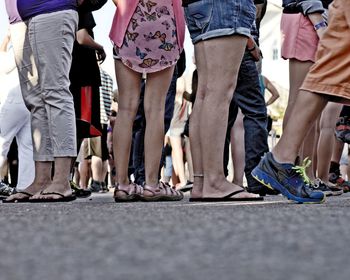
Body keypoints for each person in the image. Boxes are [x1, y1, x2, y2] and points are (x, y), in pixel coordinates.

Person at [252, 0, 349, 204]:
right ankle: (286, 161)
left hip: (318, 14)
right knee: (318, 83)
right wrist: (318, 21)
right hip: (308, 16)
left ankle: (286, 161)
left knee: (325, 81)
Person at [183, 0, 262, 201]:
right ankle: (215, 181)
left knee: (204, 93)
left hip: (198, 5)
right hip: (226, 5)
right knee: (219, 92)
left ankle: (202, 182)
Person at [109, 0, 185, 202]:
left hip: (129, 24)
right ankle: (152, 184)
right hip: (164, 23)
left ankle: (123, 184)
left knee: (126, 108)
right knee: (156, 108)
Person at [0, 32, 34, 197]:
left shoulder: (18, 49)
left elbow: (3, 65)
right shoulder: (35, 48)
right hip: (30, 101)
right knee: (27, 147)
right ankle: (25, 187)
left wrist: (7, 39)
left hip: (13, 100)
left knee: (2, 142)